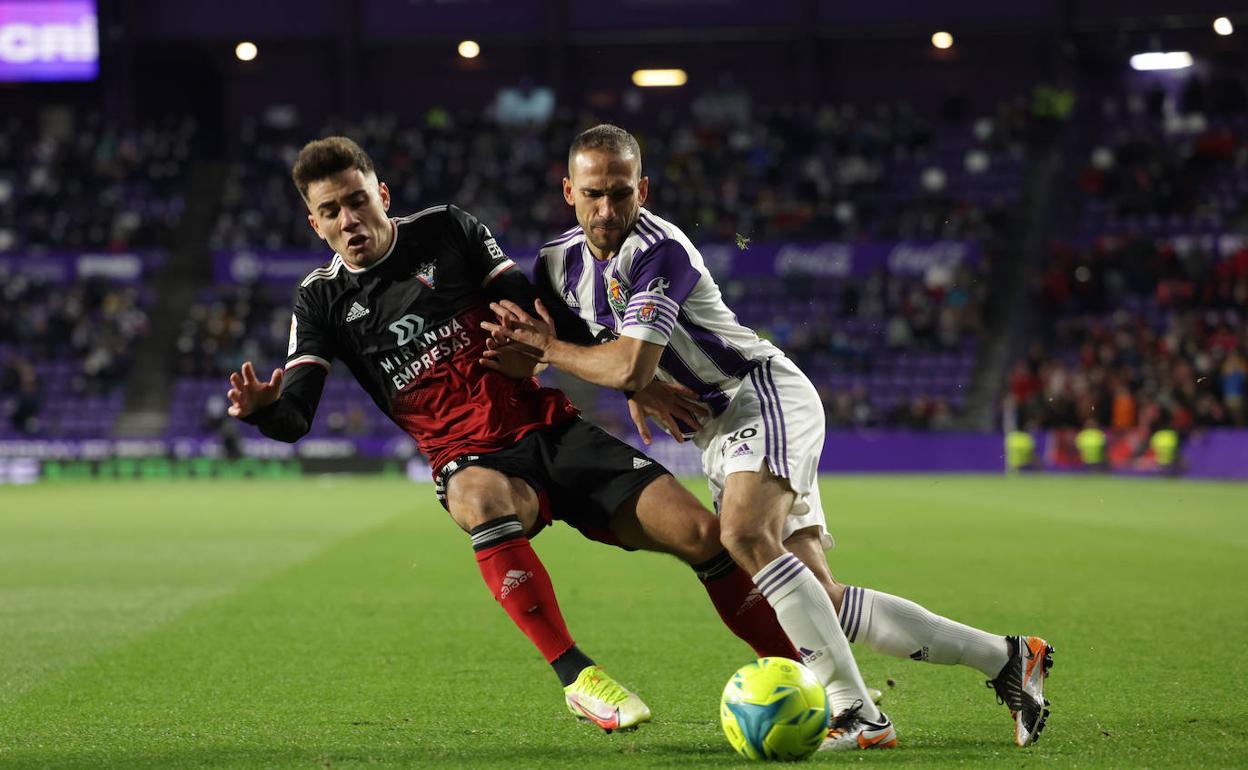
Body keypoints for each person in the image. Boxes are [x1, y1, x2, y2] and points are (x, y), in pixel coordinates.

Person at [483, 124, 1054, 750]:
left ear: (642, 190)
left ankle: (859, 715)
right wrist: (628, 386)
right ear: (569, 191)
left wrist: (590, 364)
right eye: (594, 193)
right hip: (719, 431)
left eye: (621, 193)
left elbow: (616, 361)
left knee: (742, 535)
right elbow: (597, 350)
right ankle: (1007, 659)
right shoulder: (556, 263)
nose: (608, 209)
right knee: (820, 599)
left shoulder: (658, 250)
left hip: (762, 397)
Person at [225, 136, 797, 734]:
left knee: (706, 537)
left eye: (357, 200)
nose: (350, 220)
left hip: (548, 425)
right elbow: (295, 417)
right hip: (467, 455)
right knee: (480, 501)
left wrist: (630, 379)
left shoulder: (447, 228)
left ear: (382, 195)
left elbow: (535, 309)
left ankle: (796, 675)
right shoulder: (320, 299)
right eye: (331, 212)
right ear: (314, 224)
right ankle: (577, 676)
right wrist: (265, 410)